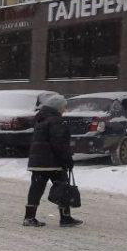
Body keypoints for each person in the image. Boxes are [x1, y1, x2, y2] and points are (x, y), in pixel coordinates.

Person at [24, 93, 83, 228]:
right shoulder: (56, 121)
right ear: (57, 107)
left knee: (36, 189)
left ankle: (29, 217)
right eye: (64, 107)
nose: (65, 110)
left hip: (38, 162)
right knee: (63, 188)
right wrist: (67, 160)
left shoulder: (41, 119)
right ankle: (66, 218)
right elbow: (59, 144)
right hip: (53, 162)